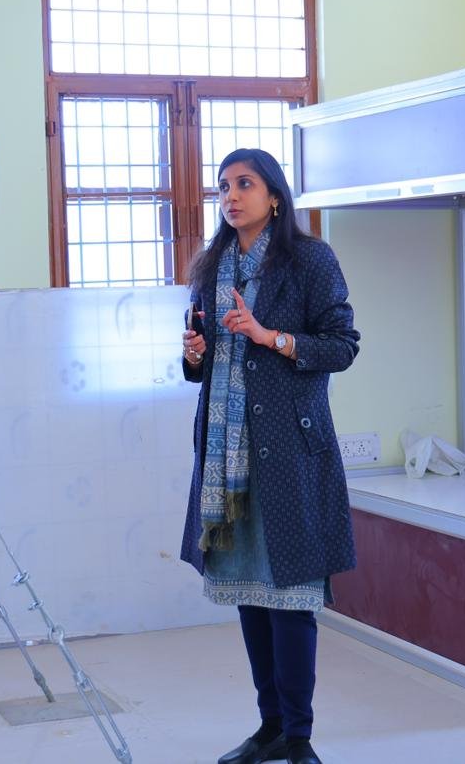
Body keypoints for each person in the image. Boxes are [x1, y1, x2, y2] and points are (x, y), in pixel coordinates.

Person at [180, 148, 359, 764]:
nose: (230, 197)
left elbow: (342, 346)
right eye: (223, 187)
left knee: (292, 596)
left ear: (275, 196)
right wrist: (195, 354)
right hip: (227, 456)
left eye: (244, 184)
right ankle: (271, 727)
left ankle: (299, 736)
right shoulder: (213, 266)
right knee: (249, 593)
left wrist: (268, 336)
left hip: (290, 449)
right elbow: (201, 367)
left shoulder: (310, 260)